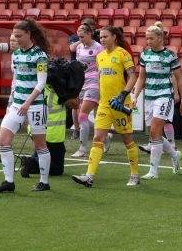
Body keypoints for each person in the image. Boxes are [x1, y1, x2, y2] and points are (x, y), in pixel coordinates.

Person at [72, 26, 140, 188]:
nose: (102, 39)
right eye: (100, 37)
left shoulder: (123, 54)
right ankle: (89, 176)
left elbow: (133, 76)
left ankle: (135, 174)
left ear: (114, 37)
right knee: (97, 139)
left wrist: (123, 95)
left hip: (120, 104)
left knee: (127, 140)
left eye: (105, 36)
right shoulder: (100, 56)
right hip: (104, 104)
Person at [0, 20, 52, 193]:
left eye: (19, 36)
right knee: (3, 140)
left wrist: (28, 102)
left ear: (29, 34)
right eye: (14, 36)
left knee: (40, 144)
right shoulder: (16, 54)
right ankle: (8, 182)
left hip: (35, 105)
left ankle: (44, 181)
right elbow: (16, 80)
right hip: (17, 104)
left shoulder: (40, 55)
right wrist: (12, 101)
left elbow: (41, 83)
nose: (16, 39)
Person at [132, 22, 182, 179]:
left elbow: (179, 79)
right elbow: (141, 77)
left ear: (160, 38)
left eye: (151, 38)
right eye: (146, 38)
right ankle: (175, 155)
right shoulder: (144, 55)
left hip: (164, 96)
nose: (148, 41)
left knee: (155, 131)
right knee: (153, 133)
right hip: (149, 96)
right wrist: (134, 96)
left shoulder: (170, 55)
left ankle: (153, 171)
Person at [20, 85, 79, 178]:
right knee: (57, 169)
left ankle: (31, 162)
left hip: (35, 128)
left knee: (41, 152)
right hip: (53, 133)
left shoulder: (38, 85)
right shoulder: (59, 89)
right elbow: (75, 105)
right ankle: (32, 162)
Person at [69, 23, 104, 158]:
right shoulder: (78, 47)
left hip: (94, 83)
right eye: (79, 37)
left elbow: (101, 67)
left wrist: (101, 85)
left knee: (82, 115)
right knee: (90, 115)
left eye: (82, 37)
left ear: (90, 34)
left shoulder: (98, 48)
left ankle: (82, 148)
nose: (81, 39)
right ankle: (105, 137)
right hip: (82, 83)